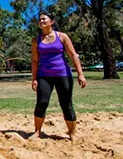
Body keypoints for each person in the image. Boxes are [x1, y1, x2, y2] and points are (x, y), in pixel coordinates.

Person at [30, 13, 87, 141]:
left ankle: (72, 133)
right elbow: (34, 60)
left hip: (63, 74)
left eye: (44, 19)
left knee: (66, 104)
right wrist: (34, 78)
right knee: (42, 103)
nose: (41, 21)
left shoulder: (62, 36)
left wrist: (80, 74)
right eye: (39, 19)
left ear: (52, 22)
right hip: (44, 75)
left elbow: (73, 55)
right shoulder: (36, 40)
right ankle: (37, 132)